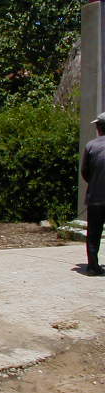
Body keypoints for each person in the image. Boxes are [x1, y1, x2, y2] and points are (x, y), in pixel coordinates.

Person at [81, 112, 105, 275]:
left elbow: (85, 172)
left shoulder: (90, 146)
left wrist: (96, 182)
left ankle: (92, 266)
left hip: (95, 198)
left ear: (99, 128)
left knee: (93, 233)